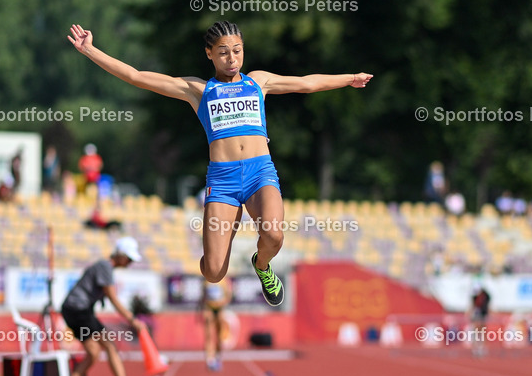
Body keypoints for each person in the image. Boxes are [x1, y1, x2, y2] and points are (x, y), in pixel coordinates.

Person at [68, 21, 372, 305]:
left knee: (274, 234)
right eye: (223, 52)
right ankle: (223, 238)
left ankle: (262, 265)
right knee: (213, 272)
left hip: (259, 174)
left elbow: (306, 83)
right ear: (209, 54)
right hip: (223, 182)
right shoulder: (199, 90)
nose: (232, 59)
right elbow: (137, 76)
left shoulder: (259, 82)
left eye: (237, 51)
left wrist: (350, 79)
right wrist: (90, 50)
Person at [59, 237, 150, 376]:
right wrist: (132, 320)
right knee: (109, 345)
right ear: (120, 255)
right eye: (129, 258)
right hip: (79, 311)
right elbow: (113, 298)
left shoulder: (104, 267)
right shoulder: (105, 267)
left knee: (93, 353)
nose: (129, 263)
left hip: (75, 310)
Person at [200, 278, 232, 371]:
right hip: (209, 308)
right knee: (209, 335)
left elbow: (228, 295)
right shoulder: (206, 280)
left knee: (219, 334)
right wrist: (204, 308)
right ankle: (209, 360)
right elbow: (203, 296)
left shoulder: (224, 281)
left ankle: (218, 357)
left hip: (220, 308)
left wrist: (222, 304)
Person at [467, 276, 491, 358]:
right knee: (476, 330)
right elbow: (473, 305)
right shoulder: (474, 296)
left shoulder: (485, 295)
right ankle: (476, 348)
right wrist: (470, 313)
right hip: (477, 314)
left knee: (482, 331)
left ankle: (481, 347)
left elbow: (487, 305)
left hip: (482, 314)